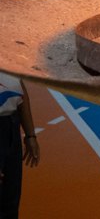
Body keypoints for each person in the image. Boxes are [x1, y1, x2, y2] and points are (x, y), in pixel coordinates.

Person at [0, 74, 40, 219]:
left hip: (11, 126)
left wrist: (30, 135)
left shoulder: (9, 59)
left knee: (11, 198)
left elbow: (22, 95)